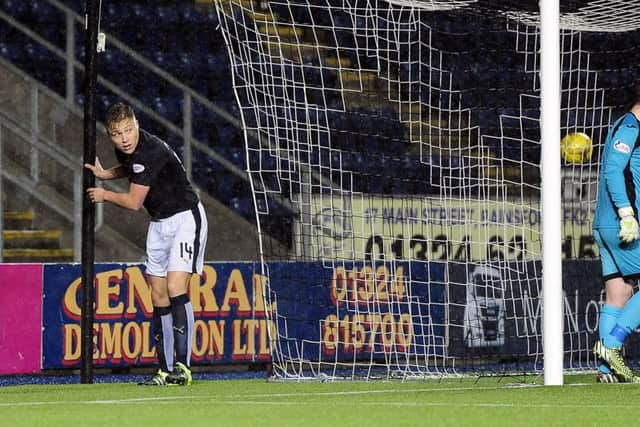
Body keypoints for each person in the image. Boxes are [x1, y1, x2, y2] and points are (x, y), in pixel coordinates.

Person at [85, 102, 207, 386]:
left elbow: (133, 201)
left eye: (128, 130)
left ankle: (183, 367)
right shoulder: (129, 152)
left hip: (185, 219)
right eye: (117, 134)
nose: (124, 138)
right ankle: (164, 369)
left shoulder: (151, 150)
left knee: (177, 287)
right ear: (110, 134)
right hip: (160, 223)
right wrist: (107, 174)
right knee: (157, 294)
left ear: (137, 123)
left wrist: (104, 194)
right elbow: (132, 168)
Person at [592, 81, 640, 383]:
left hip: (604, 225)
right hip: (622, 225)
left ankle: (605, 371)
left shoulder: (622, 124)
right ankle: (611, 346)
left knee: (618, 294)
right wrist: (626, 213)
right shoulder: (631, 126)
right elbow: (613, 168)